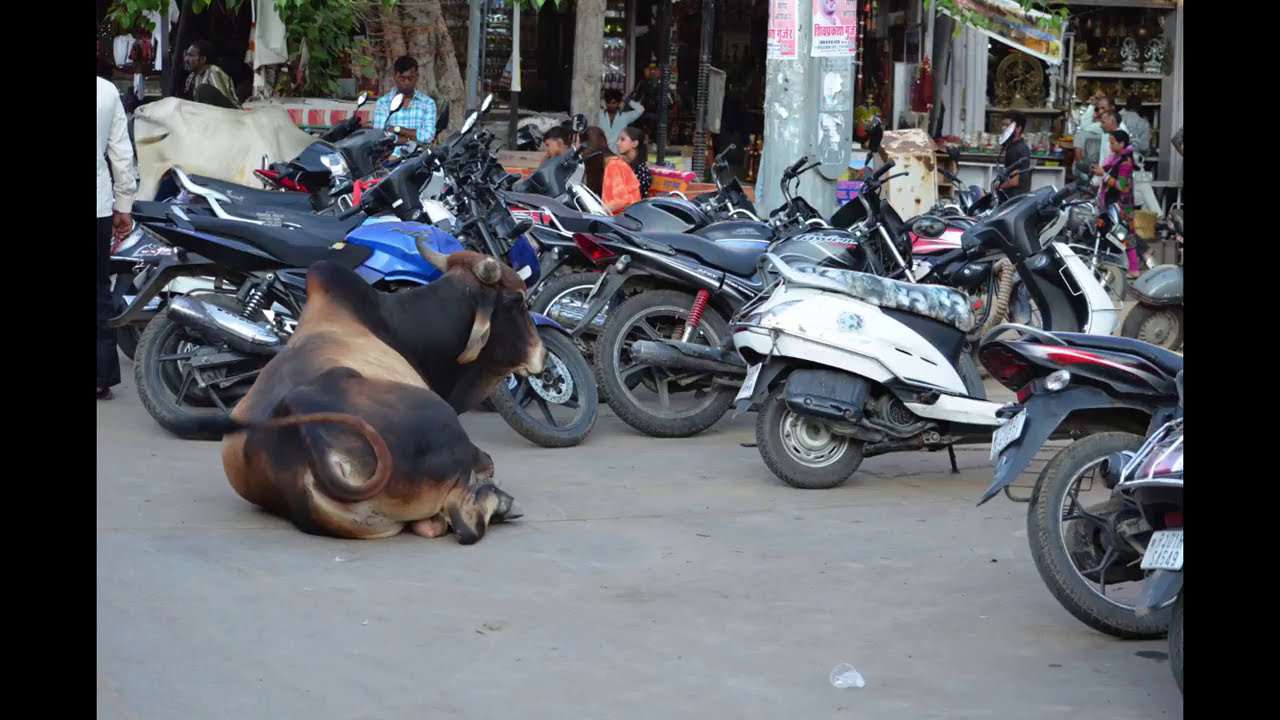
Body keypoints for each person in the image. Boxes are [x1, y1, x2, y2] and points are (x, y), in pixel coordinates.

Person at [97, 76, 137, 400]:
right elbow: (121, 153)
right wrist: (123, 204)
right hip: (96, 205)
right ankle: (100, 376)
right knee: (98, 290)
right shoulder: (106, 91)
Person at [1095, 129, 1141, 279]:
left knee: (1127, 236)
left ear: (1122, 144)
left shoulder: (1125, 162)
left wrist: (1104, 175)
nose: (1110, 145)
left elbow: (1121, 185)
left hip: (1122, 205)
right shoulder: (1116, 159)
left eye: (1112, 142)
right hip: (1113, 202)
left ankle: (1134, 268)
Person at [372, 55, 438, 157]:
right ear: (394, 76)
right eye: (402, 78)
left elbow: (428, 136)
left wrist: (397, 129)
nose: (406, 82)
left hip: (418, 159)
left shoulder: (427, 103)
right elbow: (380, 137)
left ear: (417, 76)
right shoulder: (383, 103)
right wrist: (411, 139)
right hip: (390, 159)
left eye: (410, 78)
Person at [583, 126, 641, 214]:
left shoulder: (613, 164)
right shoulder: (611, 163)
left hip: (625, 220)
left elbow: (621, 199)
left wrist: (598, 211)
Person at [183, 40, 240, 109]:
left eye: (191, 56)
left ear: (202, 59)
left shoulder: (214, 72)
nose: (186, 59)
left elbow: (225, 100)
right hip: (211, 114)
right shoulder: (191, 77)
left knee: (203, 90)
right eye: (187, 55)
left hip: (231, 113)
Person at [997, 110, 1031, 199]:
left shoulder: (1017, 149)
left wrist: (998, 187)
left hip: (1015, 198)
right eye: (1002, 125)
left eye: (1007, 125)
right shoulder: (1014, 147)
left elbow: (1015, 181)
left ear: (1018, 128)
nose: (1003, 128)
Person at [616, 126, 652, 198]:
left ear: (634, 143)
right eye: (618, 139)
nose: (617, 143)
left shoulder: (641, 170)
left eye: (622, 139)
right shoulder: (622, 164)